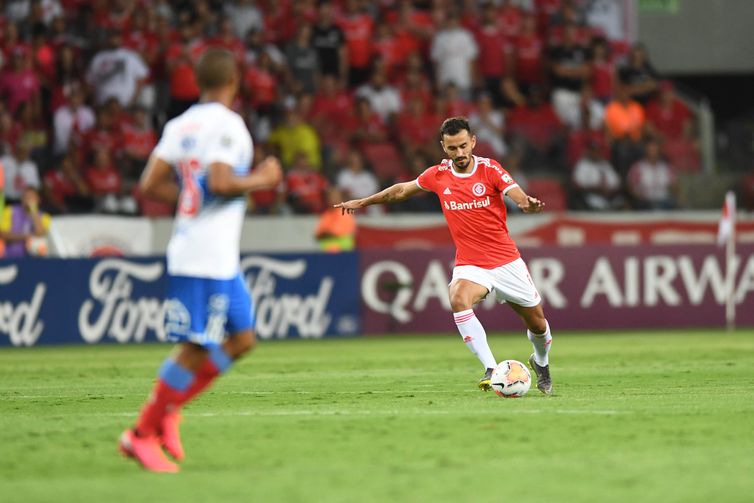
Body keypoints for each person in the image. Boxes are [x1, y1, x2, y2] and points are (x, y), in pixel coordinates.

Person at [119, 48, 282, 473]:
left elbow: (150, 184)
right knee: (195, 346)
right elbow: (224, 181)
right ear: (234, 82)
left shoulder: (180, 124)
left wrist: (191, 201)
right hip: (202, 255)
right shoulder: (228, 125)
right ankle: (139, 435)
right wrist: (263, 179)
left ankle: (169, 408)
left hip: (215, 253)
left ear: (198, 82)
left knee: (242, 338)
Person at [336, 117, 553, 395]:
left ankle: (541, 362)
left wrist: (527, 204)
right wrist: (364, 202)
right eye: (453, 148)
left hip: (506, 261)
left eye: (464, 146)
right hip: (471, 263)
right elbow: (401, 190)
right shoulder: (438, 175)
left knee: (537, 324)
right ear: (444, 147)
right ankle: (490, 367)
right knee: (458, 298)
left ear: (473, 141)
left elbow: (516, 194)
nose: (460, 153)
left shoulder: (490, 170)